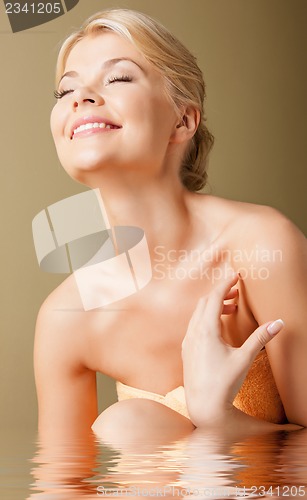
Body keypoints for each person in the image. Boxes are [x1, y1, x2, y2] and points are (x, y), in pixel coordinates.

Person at [34, 9, 307, 445]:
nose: (79, 97)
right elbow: (58, 486)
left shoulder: (260, 245)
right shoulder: (65, 321)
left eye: (118, 78)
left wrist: (218, 419)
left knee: (130, 424)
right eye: (65, 89)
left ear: (182, 121)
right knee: (127, 423)